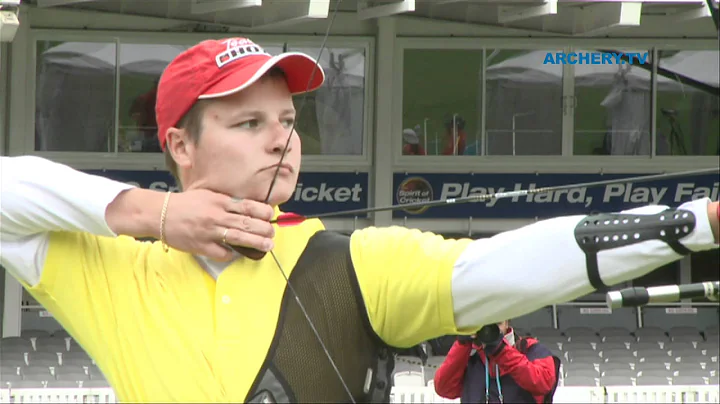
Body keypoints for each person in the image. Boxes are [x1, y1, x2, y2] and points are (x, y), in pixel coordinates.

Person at [1, 37, 719, 403]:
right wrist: (151, 213)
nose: (281, 138)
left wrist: (702, 221)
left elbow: (508, 265)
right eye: (247, 122)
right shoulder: (113, 266)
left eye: (287, 119)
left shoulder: (354, 264)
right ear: (181, 146)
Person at [434, 321, 560, 403]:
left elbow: (544, 383)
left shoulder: (531, 350)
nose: (491, 331)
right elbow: (444, 388)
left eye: (496, 324)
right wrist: (462, 343)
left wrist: (500, 350)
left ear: (507, 323)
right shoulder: (472, 360)